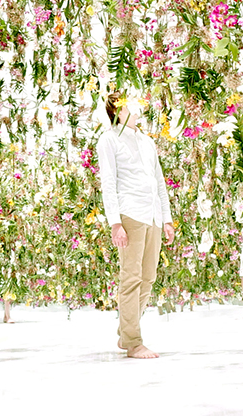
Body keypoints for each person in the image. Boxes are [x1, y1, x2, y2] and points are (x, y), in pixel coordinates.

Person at [98, 93, 175, 359]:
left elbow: (159, 182)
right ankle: (133, 341)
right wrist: (115, 223)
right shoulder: (108, 139)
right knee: (131, 278)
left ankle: (125, 332)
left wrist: (166, 218)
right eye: (130, 102)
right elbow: (108, 183)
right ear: (117, 110)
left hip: (151, 214)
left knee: (148, 278)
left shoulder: (146, 141)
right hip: (130, 213)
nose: (138, 106)